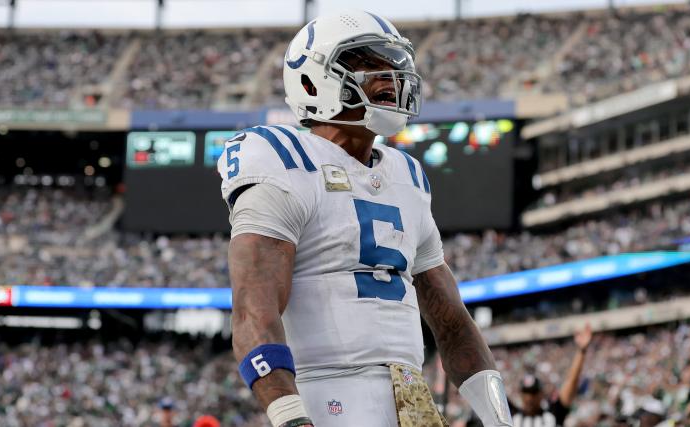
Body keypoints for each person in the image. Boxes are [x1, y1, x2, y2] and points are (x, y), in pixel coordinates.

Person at [218, 9, 513, 427]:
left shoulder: (407, 176)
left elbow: (452, 320)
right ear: (311, 82)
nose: (390, 77)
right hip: (326, 397)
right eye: (367, 63)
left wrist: (499, 419)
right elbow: (253, 311)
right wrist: (290, 417)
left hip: (412, 400)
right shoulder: (280, 159)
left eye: (392, 64)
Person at [508, 324, 592, 427]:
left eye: (533, 393)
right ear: (521, 395)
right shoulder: (512, 417)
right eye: (526, 393)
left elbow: (571, 382)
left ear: (541, 394)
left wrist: (582, 351)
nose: (529, 398)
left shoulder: (552, 414)